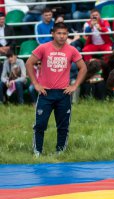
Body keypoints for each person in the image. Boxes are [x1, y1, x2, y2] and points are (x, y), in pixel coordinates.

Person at [25, 22, 87, 157]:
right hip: (45, 92)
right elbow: (29, 63)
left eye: (64, 33)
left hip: (63, 93)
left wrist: (74, 86)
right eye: (59, 33)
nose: (62, 36)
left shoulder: (72, 50)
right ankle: (37, 152)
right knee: (40, 125)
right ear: (53, 34)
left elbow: (83, 67)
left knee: (63, 126)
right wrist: (35, 83)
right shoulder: (43, 48)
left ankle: (60, 151)